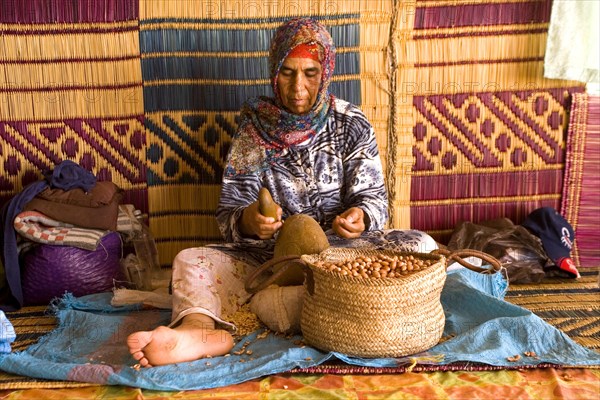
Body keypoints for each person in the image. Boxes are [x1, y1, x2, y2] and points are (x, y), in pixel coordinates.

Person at [127, 17, 437, 367]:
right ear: (274, 71)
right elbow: (230, 213)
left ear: (326, 72)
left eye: (310, 72)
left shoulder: (351, 123)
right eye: (287, 73)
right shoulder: (254, 130)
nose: (298, 87)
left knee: (421, 244)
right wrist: (249, 221)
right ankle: (197, 330)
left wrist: (360, 217)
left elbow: (374, 201)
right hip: (269, 261)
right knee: (191, 260)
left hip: (342, 259)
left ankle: (284, 306)